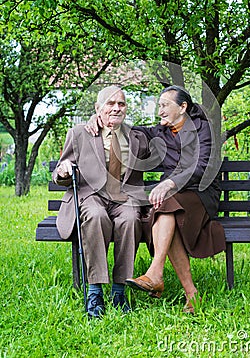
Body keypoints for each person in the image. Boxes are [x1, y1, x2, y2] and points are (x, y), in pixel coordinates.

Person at [87, 85, 226, 314]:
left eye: (164, 106)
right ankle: (187, 292)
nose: (159, 111)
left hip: (200, 194)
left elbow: (203, 166)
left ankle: (156, 273)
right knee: (164, 208)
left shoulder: (203, 129)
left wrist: (169, 183)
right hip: (171, 197)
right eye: (159, 106)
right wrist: (99, 116)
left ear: (182, 107)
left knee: (165, 205)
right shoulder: (160, 131)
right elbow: (125, 127)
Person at [53, 85, 149, 317]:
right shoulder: (79, 133)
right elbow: (59, 172)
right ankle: (94, 291)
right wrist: (64, 171)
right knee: (96, 217)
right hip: (90, 195)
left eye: (121, 104)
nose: (116, 108)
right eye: (110, 103)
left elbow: (164, 134)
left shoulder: (136, 136)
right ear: (98, 108)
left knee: (129, 219)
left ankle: (119, 290)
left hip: (123, 197)